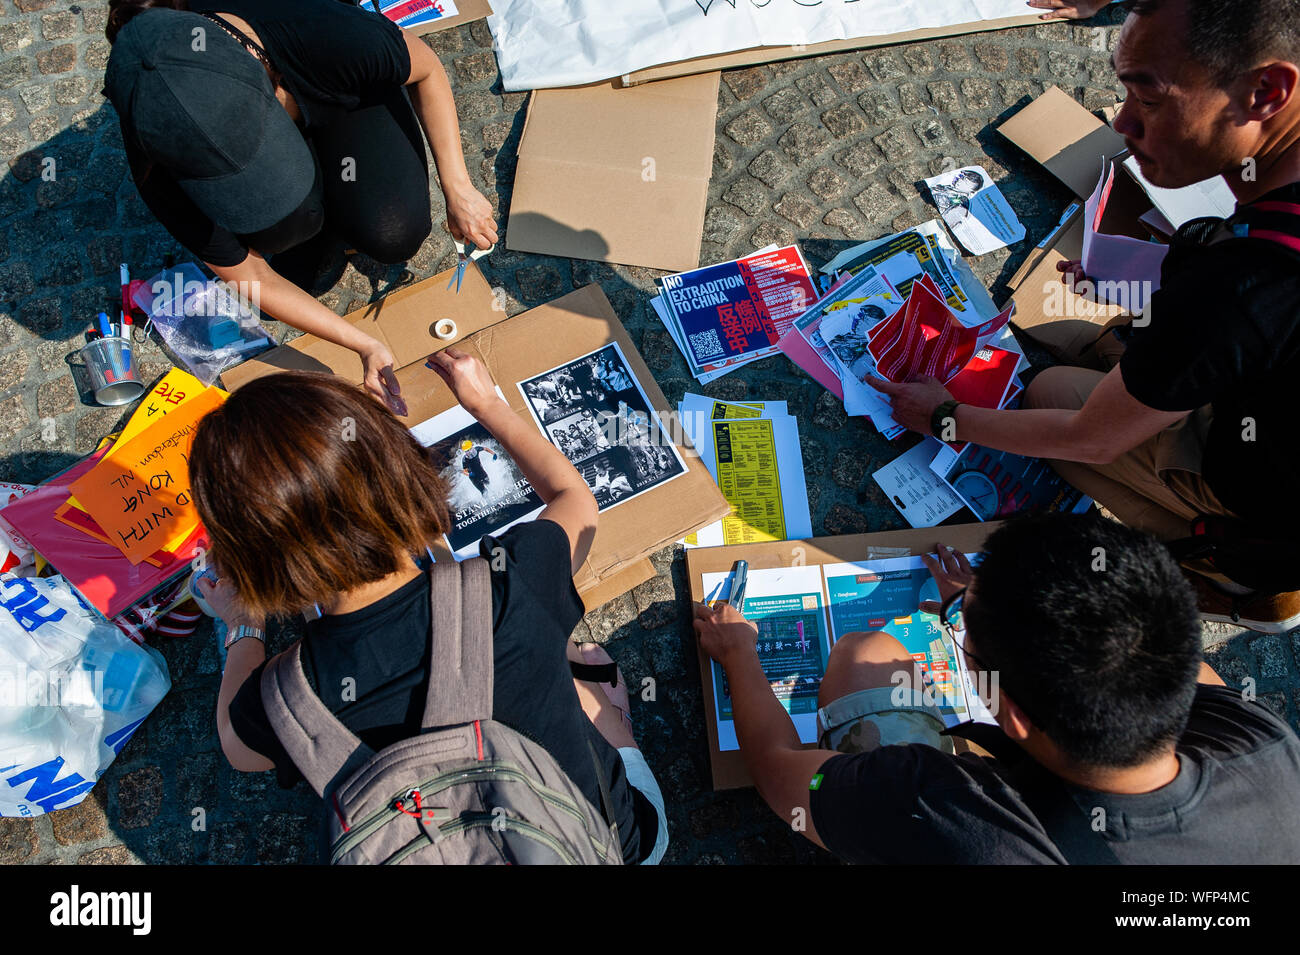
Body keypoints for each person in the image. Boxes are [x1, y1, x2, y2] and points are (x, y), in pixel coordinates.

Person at [869, 0, 1300, 629]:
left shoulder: (1242, 286)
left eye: (1149, 100)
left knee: (1049, 394)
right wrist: (1163, 288)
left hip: (1267, 504)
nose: (1122, 124)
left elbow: (1091, 438)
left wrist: (944, 417)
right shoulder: (1246, 267)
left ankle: (1240, 579)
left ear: (1266, 90)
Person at [192, 355, 668, 865]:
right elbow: (574, 498)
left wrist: (243, 622)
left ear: (249, 560)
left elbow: (235, 747)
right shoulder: (514, 587)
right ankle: (617, 724)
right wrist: (485, 402)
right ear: (404, 469)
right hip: (607, 845)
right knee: (586, 690)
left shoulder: (288, 697)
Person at [695, 513, 1300, 864]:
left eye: (968, 647)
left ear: (1010, 714)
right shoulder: (1265, 746)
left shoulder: (947, 812)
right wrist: (980, 606)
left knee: (864, 655)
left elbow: (780, 777)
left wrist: (739, 655)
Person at [103, 0, 498, 415]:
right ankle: (316, 221)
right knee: (289, 243)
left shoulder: (324, 33)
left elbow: (427, 68)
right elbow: (252, 274)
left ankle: (333, 202)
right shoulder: (159, 165)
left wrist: (458, 188)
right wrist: (363, 343)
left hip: (342, 94)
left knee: (392, 231)